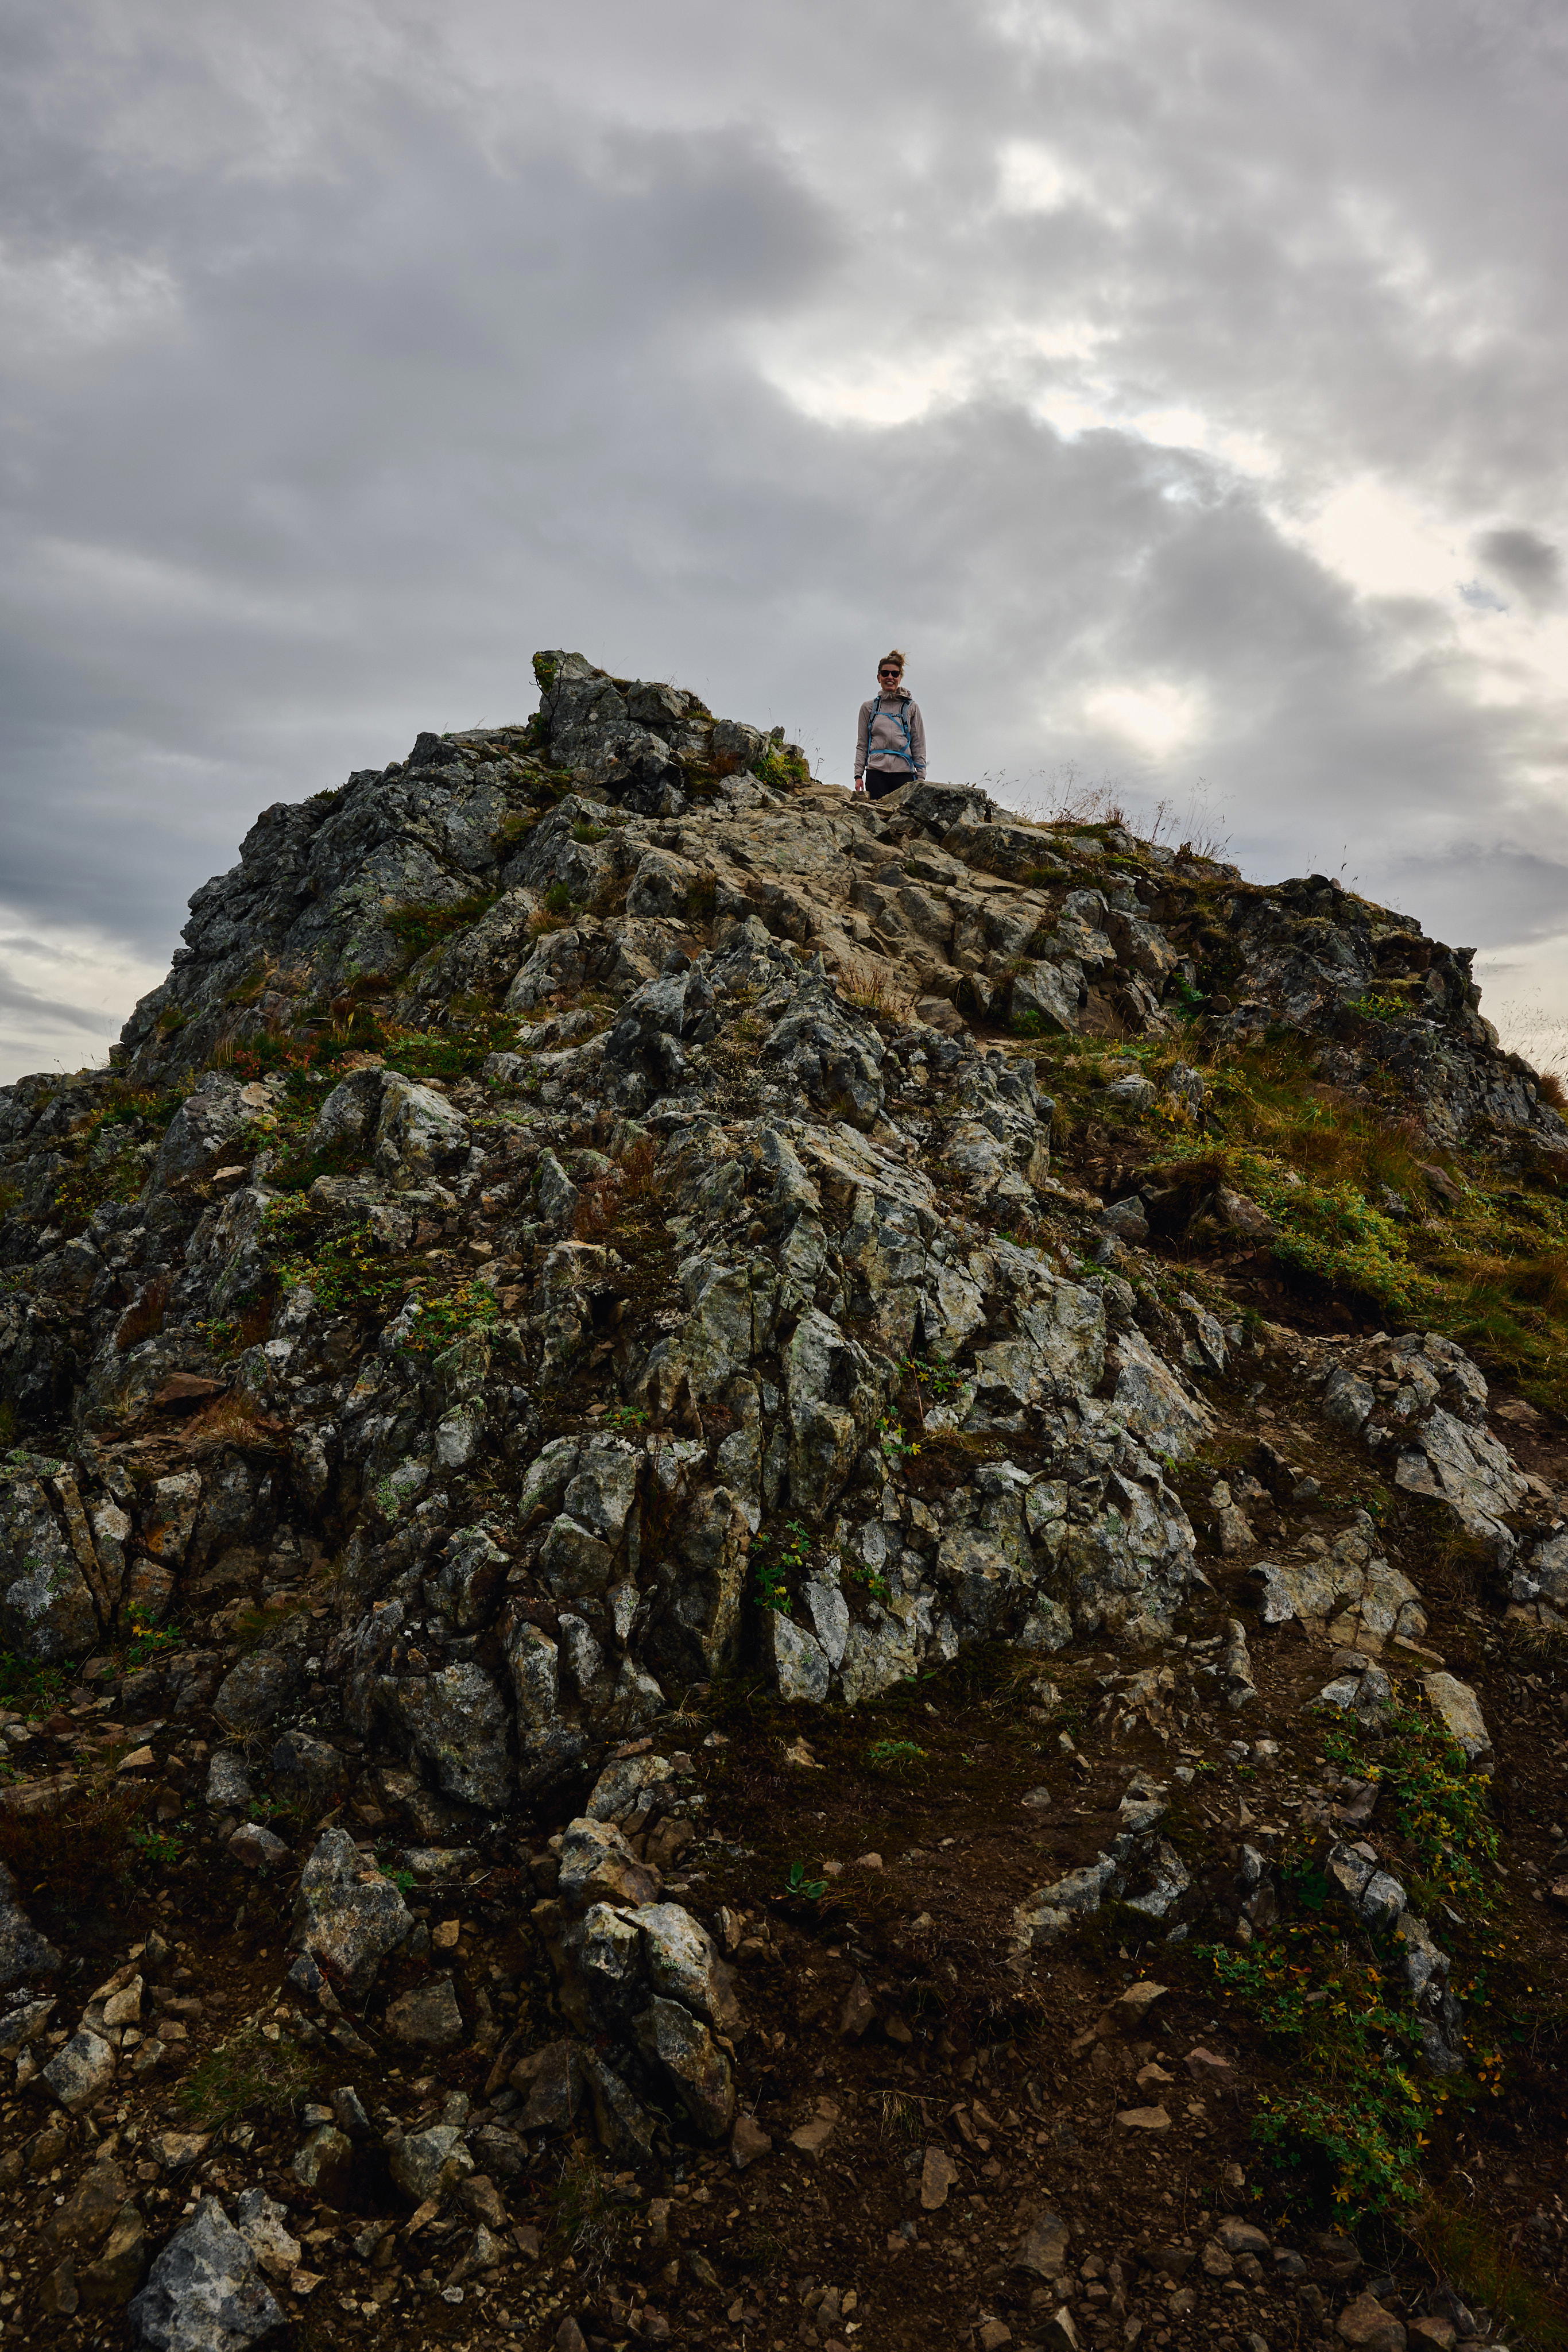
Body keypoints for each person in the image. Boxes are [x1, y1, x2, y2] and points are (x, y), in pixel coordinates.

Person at [854, 651, 926, 799]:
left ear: (900, 678)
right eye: (886, 673)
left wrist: (921, 779)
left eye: (895, 674)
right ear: (879, 677)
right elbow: (862, 743)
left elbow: (919, 745)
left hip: (904, 773)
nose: (890, 677)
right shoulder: (868, 708)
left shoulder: (912, 708)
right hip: (876, 773)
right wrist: (858, 775)